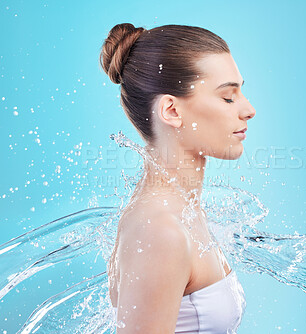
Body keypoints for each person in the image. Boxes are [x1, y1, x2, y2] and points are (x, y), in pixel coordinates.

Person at [99, 22, 256, 333]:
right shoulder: (160, 231)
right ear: (171, 111)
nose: (249, 109)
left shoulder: (182, 211)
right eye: (228, 97)